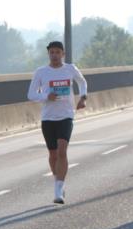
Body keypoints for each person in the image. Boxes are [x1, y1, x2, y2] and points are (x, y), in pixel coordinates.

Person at [27, 40, 88, 204]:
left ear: (63, 54)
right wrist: (46, 96)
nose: (54, 55)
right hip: (48, 118)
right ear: (49, 54)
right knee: (53, 154)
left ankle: (58, 190)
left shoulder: (70, 69)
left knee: (62, 151)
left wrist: (83, 97)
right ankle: (58, 181)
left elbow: (82, 82)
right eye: (51, 52)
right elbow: (31, 94)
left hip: (66, 116)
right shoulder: (41, 72)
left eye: (57, 52)